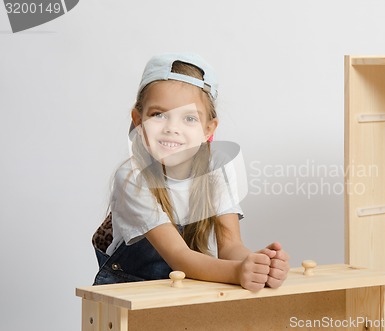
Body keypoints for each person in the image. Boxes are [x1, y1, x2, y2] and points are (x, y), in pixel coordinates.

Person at [92, 53, 290, 291]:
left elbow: (230, 247)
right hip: (131, 292)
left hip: (184, 290)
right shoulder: (133, 177)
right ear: (138, 120)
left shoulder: (216, 168)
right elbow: (179, 257)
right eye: (158, 115)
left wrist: (257, 264)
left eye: (189, 118)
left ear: (209, 129)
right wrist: (238, 272)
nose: (172, 129)